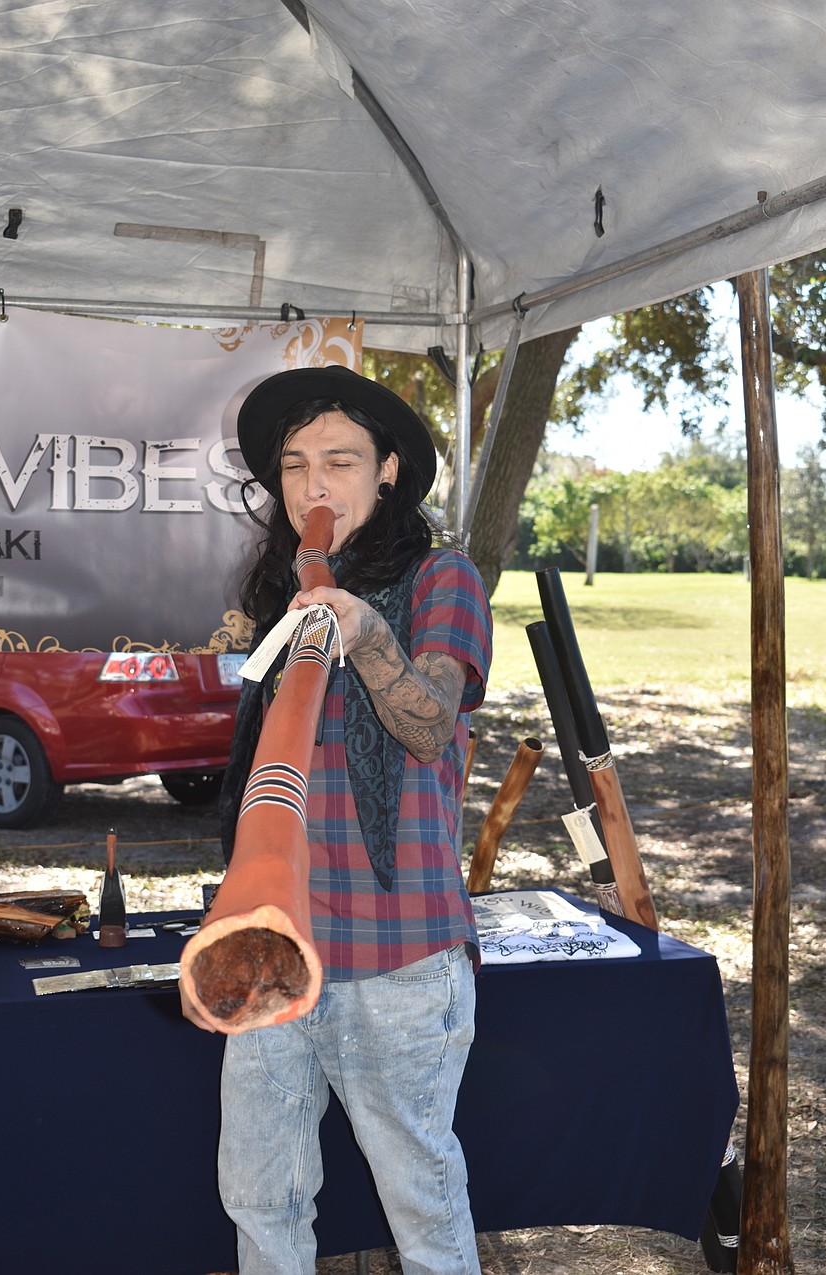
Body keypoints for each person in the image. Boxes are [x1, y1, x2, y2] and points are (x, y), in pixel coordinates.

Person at [185, 365, 492, 1275]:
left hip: (398, 954)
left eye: (341, 462)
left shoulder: (445, 576)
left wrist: (368, 634)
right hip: (273, 941)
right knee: (259, 1191)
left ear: (388, 470)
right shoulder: (284, 597)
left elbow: (432, 722)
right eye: (295, 466)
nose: (314, 487)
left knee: (420, 1198)